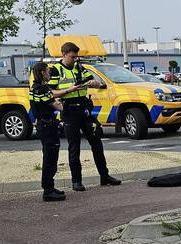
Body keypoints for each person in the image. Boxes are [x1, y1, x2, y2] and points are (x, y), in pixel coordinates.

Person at [47, 42, 121, 191]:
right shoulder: (56, 70)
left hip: (84, 109)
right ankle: (76, 181)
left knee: (97, 143)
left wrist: (95, 83)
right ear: (64, 54)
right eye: (72, 57)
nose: (75, 59)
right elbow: (51, 92)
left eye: (76, 56)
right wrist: (69, 89)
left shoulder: (80, 67)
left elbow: (96, 83)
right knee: (74, 147)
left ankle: (105, 176)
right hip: (69, 110)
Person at [29, 61, 81, 202]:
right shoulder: (43, 89)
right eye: (47, 71)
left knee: (49, 156)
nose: (49, 73)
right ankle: (48, 191)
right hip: (48, 125)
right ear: (42, 73)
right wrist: (67, 106)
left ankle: (50, 187)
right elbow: (56, 105)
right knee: (50, 158)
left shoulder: (34, 87)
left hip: (43, 124)